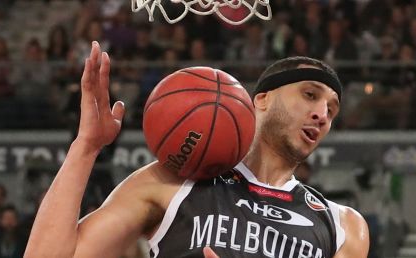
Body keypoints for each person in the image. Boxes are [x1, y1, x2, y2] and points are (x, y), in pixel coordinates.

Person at [25, 41, 369, 258]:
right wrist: (85, 147)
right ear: (261, 100)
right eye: (310, 95)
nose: (322, 115)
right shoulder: (171, 183)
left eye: (332, 110)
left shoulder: (343, 225)